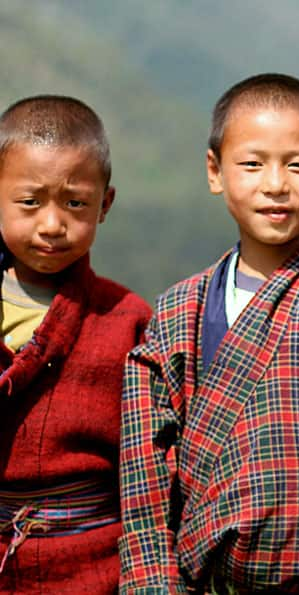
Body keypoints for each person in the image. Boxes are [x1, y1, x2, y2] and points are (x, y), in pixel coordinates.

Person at [118, 73, 299, 593]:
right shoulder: (178, 309)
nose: (275, 184)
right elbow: (145, 477)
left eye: (298, 165)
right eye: (252, 163)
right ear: (214, 170)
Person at [0, 95, 150, 593]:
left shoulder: (128, 319)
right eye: (29, 201)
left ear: (105, 204)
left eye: (75, 203)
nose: (51, 224)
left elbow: (148, 470)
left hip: (92, 565)